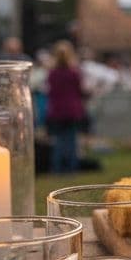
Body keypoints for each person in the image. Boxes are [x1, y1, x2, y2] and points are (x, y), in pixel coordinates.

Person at [45, 41, 87, 174]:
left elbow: (50, 92)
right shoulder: (74, 73)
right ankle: (72, 167)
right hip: (72, 110)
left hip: (57, 110)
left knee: (58, 141)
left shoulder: (52, 74)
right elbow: (80, 90)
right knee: (72, 140)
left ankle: (57, 168)